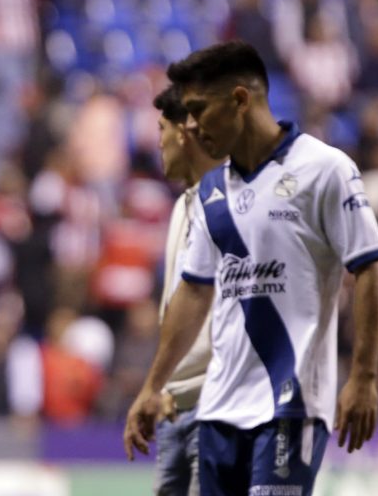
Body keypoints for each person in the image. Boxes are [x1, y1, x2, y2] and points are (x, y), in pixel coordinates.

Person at [124, 41, 378, 496]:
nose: (190, 125)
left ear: (240, 101)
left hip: (292, 405)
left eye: (198, 109)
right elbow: (193, 292)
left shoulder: (324, 169)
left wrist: (364, 376)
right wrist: (153, 385)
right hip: (218, 409)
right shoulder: (210, 192)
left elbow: (369, 267)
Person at [149, 84, 224, 496]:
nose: (156, 141)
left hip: (216, 406)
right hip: (173, 408)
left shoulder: (234, 202)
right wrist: (157, 387)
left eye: (161, 128)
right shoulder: (181, 206)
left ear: (183, 132)